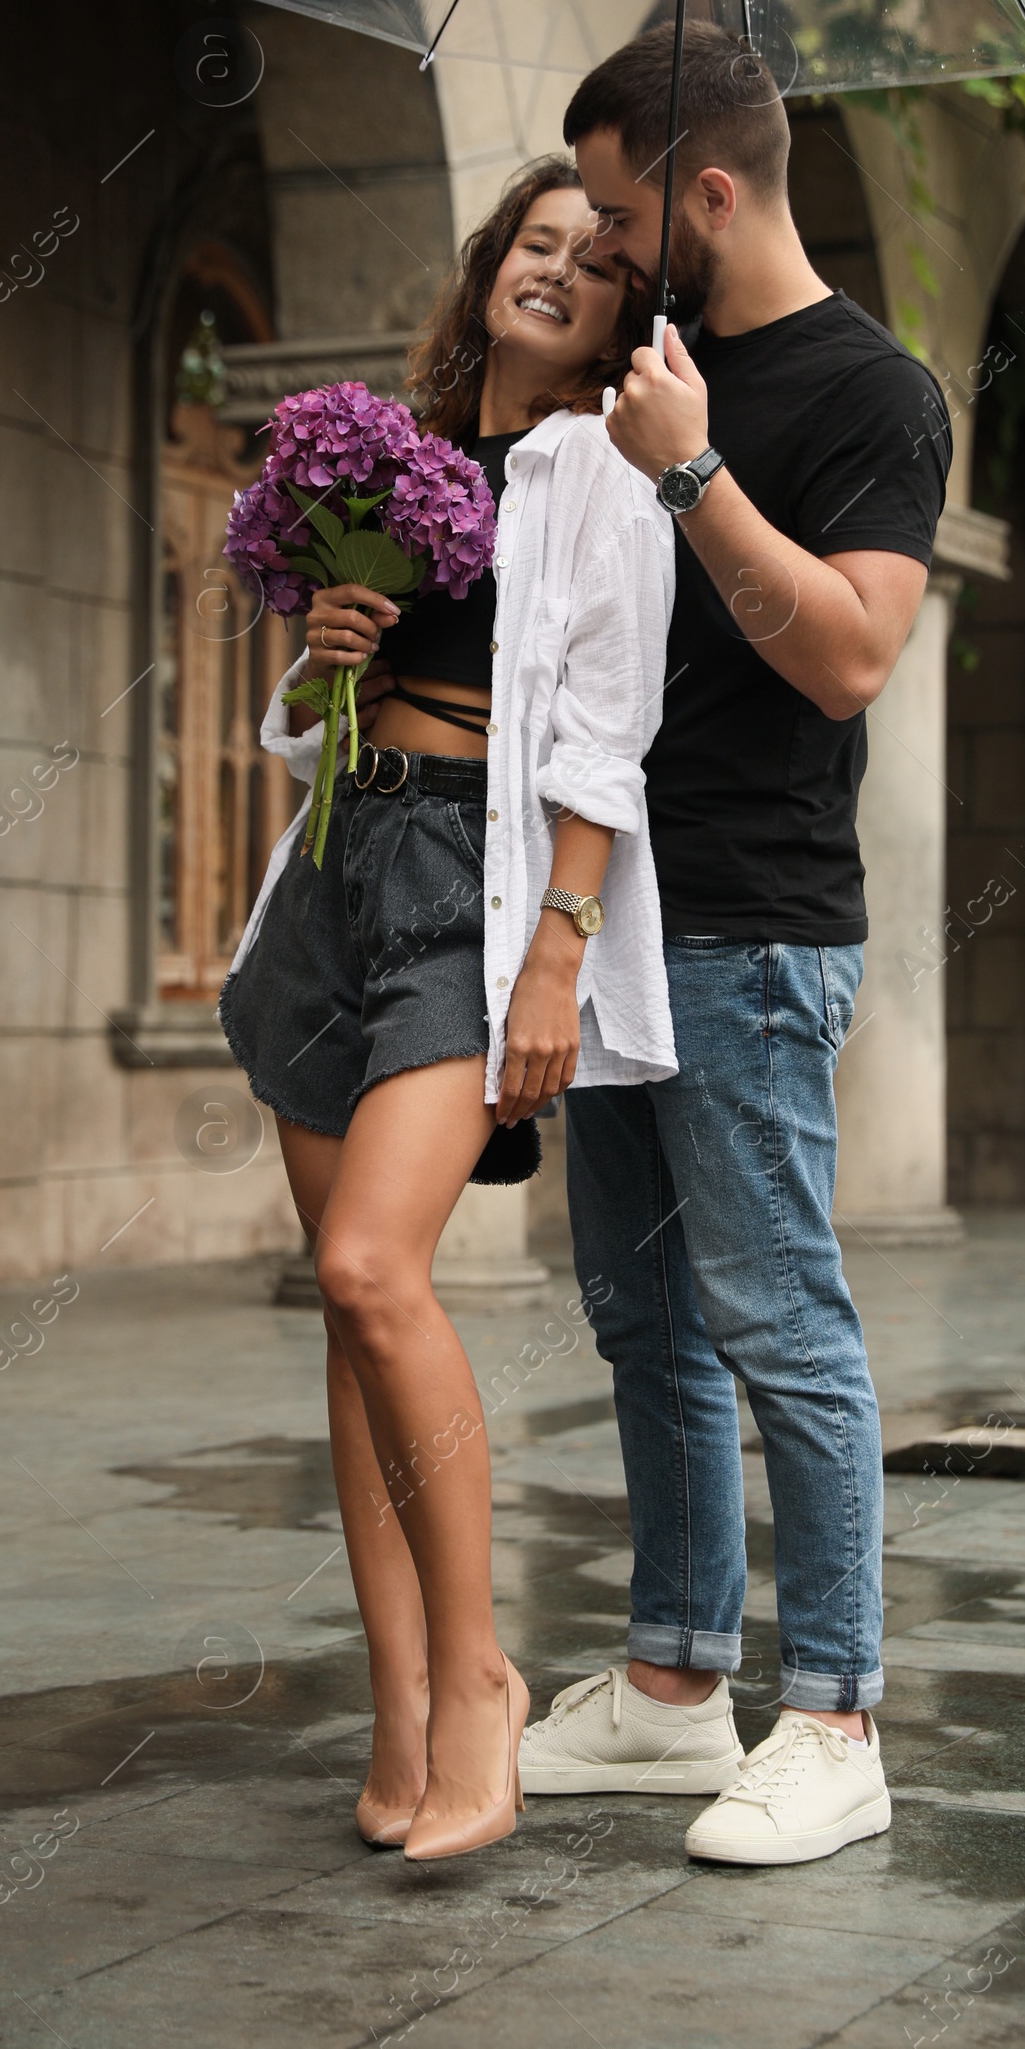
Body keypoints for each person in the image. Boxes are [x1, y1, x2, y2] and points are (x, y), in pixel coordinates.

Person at [517, 22, 951, 1867]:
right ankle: (682, 1687)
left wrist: (695, 474)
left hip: (753, 924)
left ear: (708, 192)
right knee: (645, 1320)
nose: (602, 246)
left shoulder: (878, 392)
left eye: (620, 212)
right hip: (612, 907)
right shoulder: (637, 363)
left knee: (780, 1316)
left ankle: (838, 1713)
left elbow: (852, 656)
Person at [220, 159, 678, 1861]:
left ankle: (481, 1679)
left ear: (628, 312)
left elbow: (606, 734)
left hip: (464, 912)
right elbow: (299, 728)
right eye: (537, 242)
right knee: (347, 1326)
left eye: (597, 259)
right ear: (495, 265)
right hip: (338, 870)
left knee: (371, 1270)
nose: (558, 267)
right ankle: (399, 1710)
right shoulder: (399, 458)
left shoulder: (600, 471)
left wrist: (558, 950)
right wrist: (325, 656)